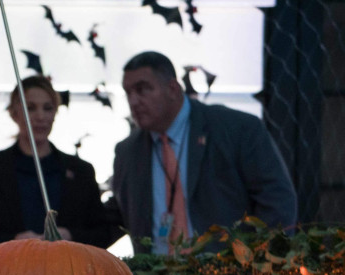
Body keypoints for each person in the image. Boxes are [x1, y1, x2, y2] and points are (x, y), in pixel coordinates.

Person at [113, 51, 298, 255]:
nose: (134, 101)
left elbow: (277, 200)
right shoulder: (128, 152)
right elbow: (116, 216)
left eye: (142, 89)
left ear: (173, 89)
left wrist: (260, 262)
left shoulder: (235, 130)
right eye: (128, 92)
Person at [0, 75, 120, 255]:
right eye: (30, 108)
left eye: (48, 108)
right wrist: (12, 242)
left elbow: (102, 232)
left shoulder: (81, 171)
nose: (40, 116)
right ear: (14, 113)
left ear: (55, 113)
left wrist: (71, 236)